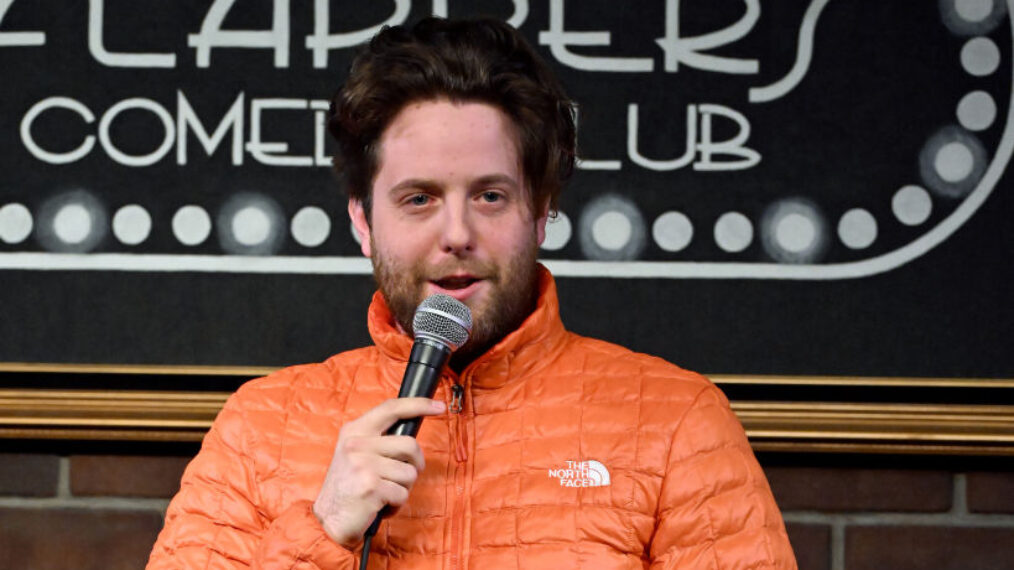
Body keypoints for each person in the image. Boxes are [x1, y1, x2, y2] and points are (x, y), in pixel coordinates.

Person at [148, 17, 796, 569]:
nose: (456, 234)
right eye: (419, 199)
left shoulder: (677, 419)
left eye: (490, 196)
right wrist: (323, 531)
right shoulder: (260, 426)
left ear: (540, 212)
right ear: (362, 221)